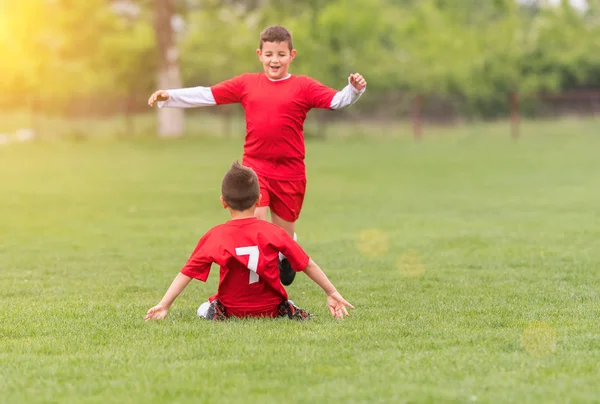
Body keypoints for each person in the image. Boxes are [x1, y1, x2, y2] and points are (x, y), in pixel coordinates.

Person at [148, 25, 367, 287]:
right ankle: (263, 289)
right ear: (260, 54)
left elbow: (336, 101)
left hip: (290, 173)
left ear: (292, 55)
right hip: (255, 169)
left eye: (281, 54)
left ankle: (286, 256)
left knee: (284, 238)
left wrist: (353, 90)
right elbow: (208, 94)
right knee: (255, 227)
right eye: (270, 54)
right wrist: (169, 97)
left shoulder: (303, 86)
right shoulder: (246, 84)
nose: (275, 60)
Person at [145, 162, 355, 321]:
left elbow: (187, 272)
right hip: (272, 309)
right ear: (258, 200)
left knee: (203, 308)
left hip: (231, 310)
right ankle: (286, 307)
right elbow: (307, 264)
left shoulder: (215, 236)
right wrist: (331, 292)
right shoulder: (275, 233)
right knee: (284, 303)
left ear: (223, 202)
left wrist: (164, 304)